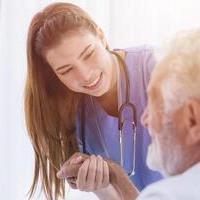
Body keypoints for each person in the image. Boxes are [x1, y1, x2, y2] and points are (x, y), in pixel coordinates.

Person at [57, 26, 200, 200]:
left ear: (193, 121)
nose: (144, 118)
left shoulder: (168, 194)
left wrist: (114, 174)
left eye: (155, 103)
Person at [25, 2, 162, 200]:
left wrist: (115, 174)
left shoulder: (155, 66)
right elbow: (115, 196)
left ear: (101, 36)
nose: (85, 76)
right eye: (66, 70)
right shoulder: (75, 110)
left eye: (89, 54)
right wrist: (99, 182)